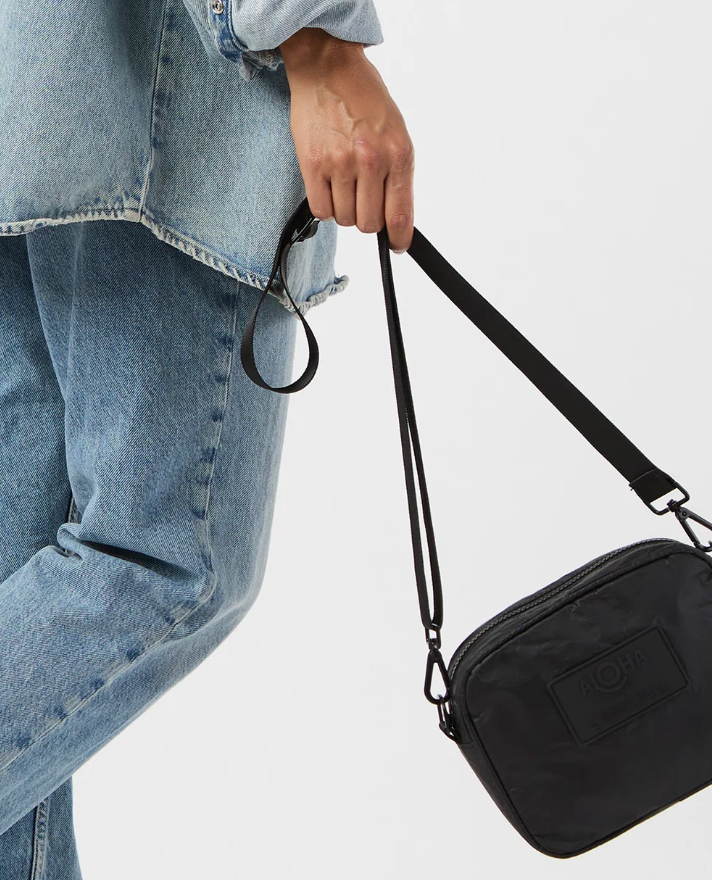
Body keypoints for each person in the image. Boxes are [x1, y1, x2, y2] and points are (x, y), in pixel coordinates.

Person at [0, 1, 415, 876]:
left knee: (29, 588)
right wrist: (314, 39)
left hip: (36, 92)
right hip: (150, 102)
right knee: (160, 559)